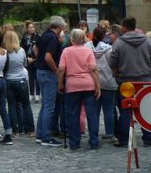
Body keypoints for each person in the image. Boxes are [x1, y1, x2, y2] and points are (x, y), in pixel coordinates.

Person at [109, 17, 151, 147]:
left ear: (125, 27)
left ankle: (124, 139)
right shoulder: (147, 41)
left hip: (126, 80)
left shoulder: (119, 43)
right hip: (145, 80)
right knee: (145, 109)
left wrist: (116, 72)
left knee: (126, 110)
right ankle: (148, 138)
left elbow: (113, 60)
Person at [58, 28, 101, 150]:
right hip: (88, 84)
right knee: (91, 114)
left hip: (72, 85)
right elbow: (93, 69)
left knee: (73, 114)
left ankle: (74, 142)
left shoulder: (66, 51)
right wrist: (98, 85)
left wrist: (60, 83)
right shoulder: (88, 51)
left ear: (71, 39)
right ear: (83, 39)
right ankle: (94, 141)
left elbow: (61, 69)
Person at [35, 16, 66, 147]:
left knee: (44, 105)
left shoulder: (44, 35)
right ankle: (46, 137)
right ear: (59, 27)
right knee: (49, 107)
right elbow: (48, 57)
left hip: (39, 71)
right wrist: (56, 70)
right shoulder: (53, 38)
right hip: (48, 73)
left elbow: (35, 49)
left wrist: (39, 60)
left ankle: (40, 134)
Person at [3, 30, 34, 136]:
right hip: (21, 79)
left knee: (11, 105)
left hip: (9, 80)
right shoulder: (21, 51)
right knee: (26, 105)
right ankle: (30, 129)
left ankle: (14, 130)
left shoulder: (5, 52)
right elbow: (24, 64)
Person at [90, 26, 117, 143]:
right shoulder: (109, 49)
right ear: (104, 36)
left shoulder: (87, 48)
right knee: (109, 109)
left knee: (94, 110)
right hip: (108, 80)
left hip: (93, 82)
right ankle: (110, 132)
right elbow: (114, 64)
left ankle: (94, 132)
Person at [20, 21, 39, 102]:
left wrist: (35, 58)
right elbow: (22, 49)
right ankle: (31, 94)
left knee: (37, 77)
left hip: (36, 59)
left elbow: (40, 48)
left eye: (33, 27)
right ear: (27, 29)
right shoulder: (24, 38)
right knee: (30, 77)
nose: (32, 29)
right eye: (30, 27)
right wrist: (27, 58)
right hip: (28, 59)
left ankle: (38, 94)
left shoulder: (37, 37)